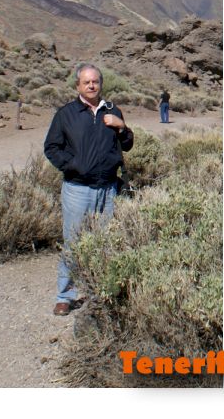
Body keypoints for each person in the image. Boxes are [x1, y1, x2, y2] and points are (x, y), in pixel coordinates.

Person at [43, 63, 133, 316]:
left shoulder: (113, 110)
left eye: (95, 82)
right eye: (87, 82)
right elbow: (51, 147)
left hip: (108, 188)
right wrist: (73, 166)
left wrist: (121, 126)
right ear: (78, 86)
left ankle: (99, 293)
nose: (92, 86)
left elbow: (127, 145)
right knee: (73, 242)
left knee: (105, 242)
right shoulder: (67, 114)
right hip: (78, 188)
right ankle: (65, 295)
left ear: (101, 84)